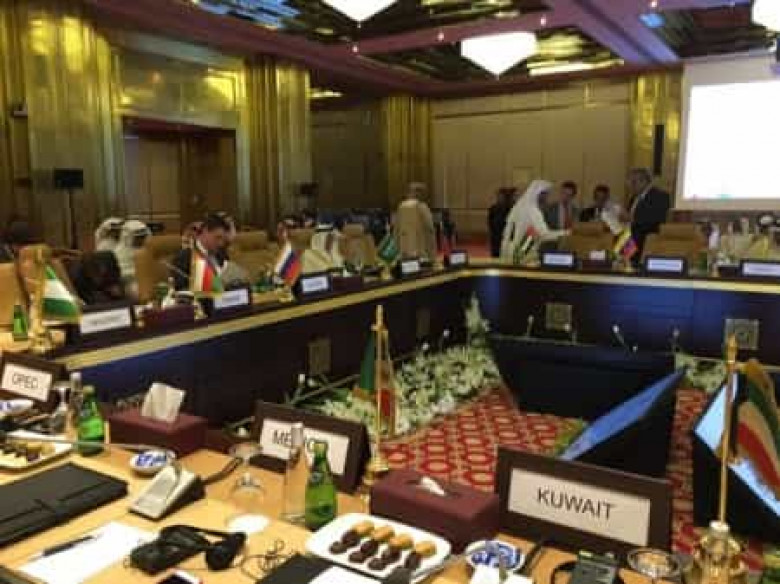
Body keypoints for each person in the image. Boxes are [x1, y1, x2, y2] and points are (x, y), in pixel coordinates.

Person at [501, 180, 568, 260]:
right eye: (546, 195)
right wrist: (566, 233)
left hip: (510, 250)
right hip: (523, 252)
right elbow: (544, 234)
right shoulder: (533, 211)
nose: (547, 198)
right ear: (540, 195)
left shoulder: (518, 207)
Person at [171, 213, 230, 290]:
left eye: (222, 239)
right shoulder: (184, 257)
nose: (220, 243)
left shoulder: (221, 254)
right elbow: (181, 289)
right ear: (205, 232)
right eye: (217, 238)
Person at [624, 168, 671, 256]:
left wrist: (632, 219)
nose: (630, 186)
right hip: (630, 236)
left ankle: (628, 257)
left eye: (633, 182)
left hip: (647, 237)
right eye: (630, 183)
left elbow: (658, 219)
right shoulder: (634, 198)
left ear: (644, 181)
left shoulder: (660, 196)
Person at [393, 182, 436, 261]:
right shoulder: (422, 207)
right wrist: (432, 254)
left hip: (404, 251)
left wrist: (397, 249)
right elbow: (430, 229)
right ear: (419, 193)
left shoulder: (401, 207)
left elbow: (396, 230)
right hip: (421, 251)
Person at [488, 188, 516, 258]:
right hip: (495, 237)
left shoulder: (510, 209)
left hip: (507, 237)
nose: (500, 198)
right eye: (499, 196)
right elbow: (490, 222)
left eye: (502, 197)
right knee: (495, 256)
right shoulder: (493, 208)